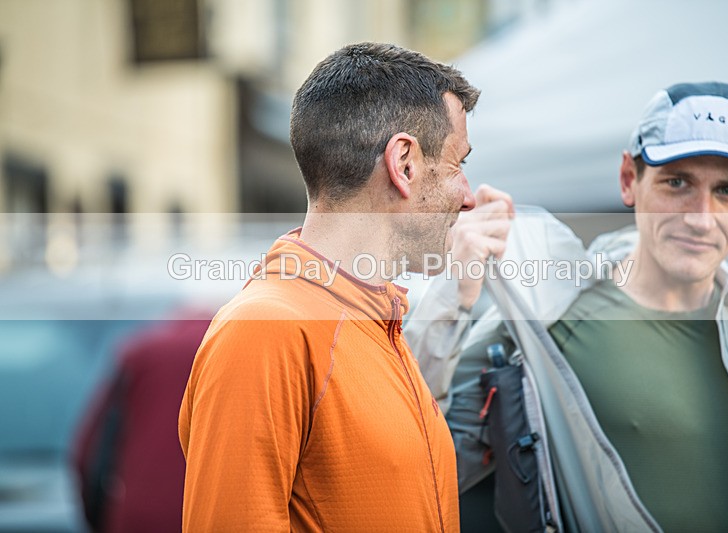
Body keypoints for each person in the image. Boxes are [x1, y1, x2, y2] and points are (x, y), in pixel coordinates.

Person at [407, 82, 728, 531]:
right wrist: (451, 293)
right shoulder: (551, 318)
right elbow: (418, 462)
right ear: (629, 180)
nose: (700, 217)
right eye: (677, 183)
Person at [178, 42, 514, 532]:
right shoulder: (265, 331)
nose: (467, 197)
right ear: (404, 163)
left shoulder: (376, 321)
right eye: (457, 163)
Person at [73, 313, 211, 533]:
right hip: (210, 516)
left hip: (138, 518)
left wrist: (101, 519)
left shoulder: (138, 353)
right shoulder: (238, 355)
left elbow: (88, 456)